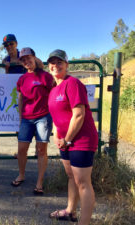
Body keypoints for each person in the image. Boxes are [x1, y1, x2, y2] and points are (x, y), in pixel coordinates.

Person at [47, 49, 98, 224]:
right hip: (65, 141)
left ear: (67, 65)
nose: (55, 65)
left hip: (81, 139)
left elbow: (79, 114)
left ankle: (84, 222)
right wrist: (56, 135)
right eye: (52, 62)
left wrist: (67, 139)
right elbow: (56, 116)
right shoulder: (54, 89)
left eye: (59, 62)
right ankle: (70, 211)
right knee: (71, 177)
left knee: (83, 182)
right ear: (48, 66)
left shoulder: (73, 83)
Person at [11, 47, 54, 195]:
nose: (26, 61)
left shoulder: (46, 76)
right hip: (26, 119)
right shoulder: (22, 79)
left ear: (34, 58)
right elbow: (21, 98)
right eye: (23, 59)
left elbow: (54, 94)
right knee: (22, 149)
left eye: (28, 58)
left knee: (41, 150)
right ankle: (21, 175)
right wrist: (20, 118)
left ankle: (39, 182)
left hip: (43, 117)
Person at [2, 34, 44, 159]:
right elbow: (4, 77)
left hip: (32, 92)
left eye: (11, 44)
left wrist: (20, 62)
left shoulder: (25, 55)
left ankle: (38, 149)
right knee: (18, 123)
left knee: (36, 120)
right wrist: (6, 67)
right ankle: (21, 150)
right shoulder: (5, 59)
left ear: (16, 44)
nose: (9, 46)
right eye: (6, 45)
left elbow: (40, 65)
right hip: (18, 94)